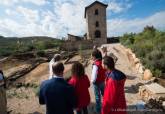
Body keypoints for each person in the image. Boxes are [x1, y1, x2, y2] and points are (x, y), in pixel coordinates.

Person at [91, 49, 105, 114]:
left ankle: (98, 110)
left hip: (97, 83)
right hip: (102, 81)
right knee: (104, 94)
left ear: (94, 56)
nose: (91, 57)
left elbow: (94, 76)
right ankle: (107, 106)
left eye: (92, 56)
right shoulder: (100, 61)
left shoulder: (95, 65)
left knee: (97, 97)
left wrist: (92, 81)